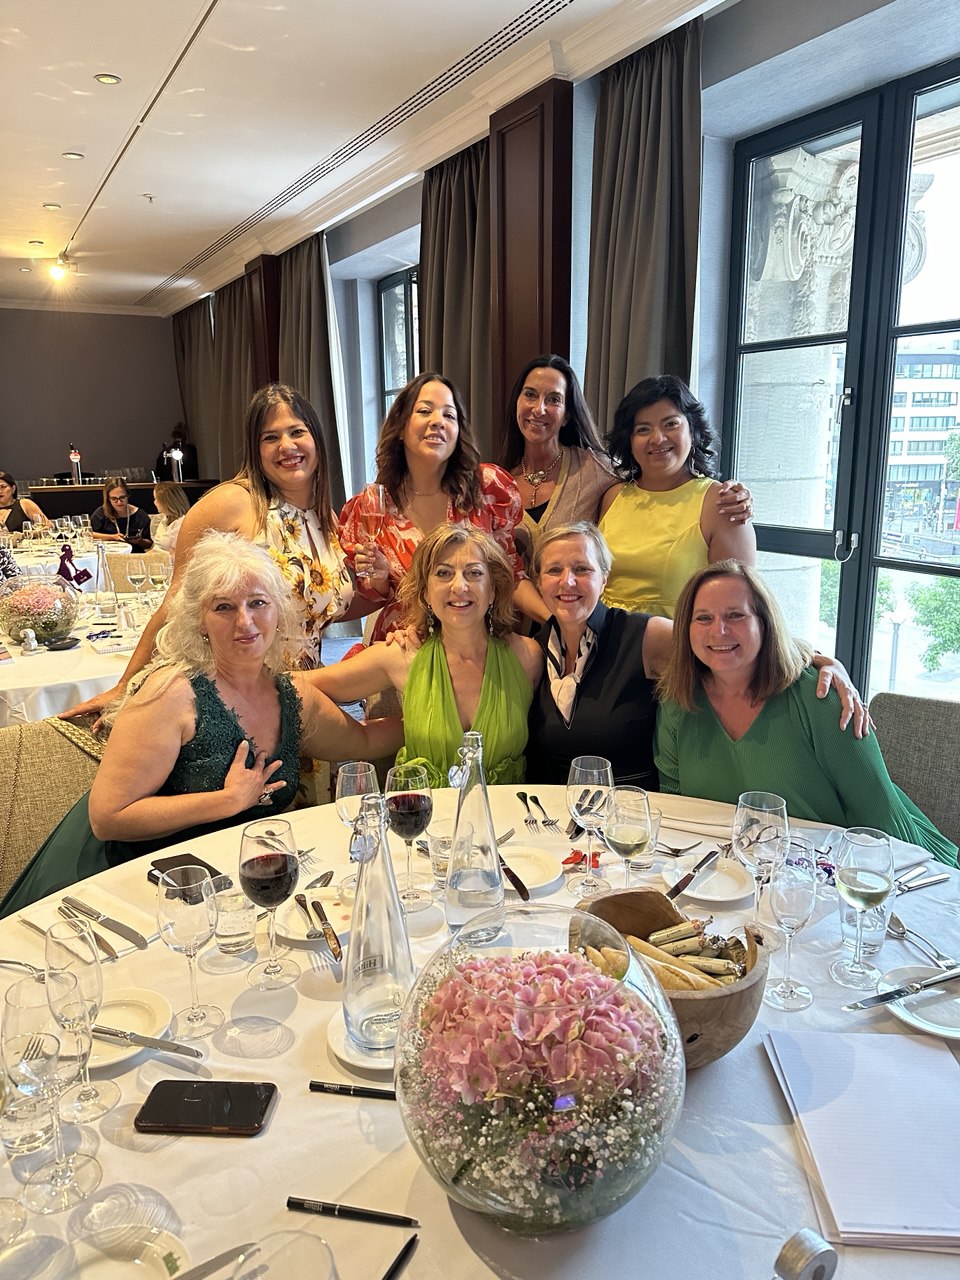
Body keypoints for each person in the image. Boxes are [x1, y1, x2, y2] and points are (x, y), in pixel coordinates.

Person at [1, 533, 403, 916]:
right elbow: (107, 817)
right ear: (199, 621)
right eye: (223, 607)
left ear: (279, 613)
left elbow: (366, 741)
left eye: (258, 603)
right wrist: (226, 801)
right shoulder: (173, 694)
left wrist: (437, 696)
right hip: (116, 887)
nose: (245, 622)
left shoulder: (291, 695)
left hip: (221, 889)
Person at [62, 384, 364, 721]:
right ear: (255, 449)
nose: (286, 446)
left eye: (297, 432)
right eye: (270, 437)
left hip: (305, 693)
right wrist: (125, 685)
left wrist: (385, 587)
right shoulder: (230, 503)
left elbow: (319, 608)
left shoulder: (324, 518)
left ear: (316, 439)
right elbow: (176, 604)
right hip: (236, 700)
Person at [654, 560, 957, 865]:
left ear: (765, 623)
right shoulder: (678, 700)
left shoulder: (820, 696)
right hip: (731, 872)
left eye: (736, 615)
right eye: (703, 618)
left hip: (840, 869)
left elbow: (879, 815)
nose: (719, 630)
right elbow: (676, 806)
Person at [525, 522, 867, 788]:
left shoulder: (644, 636)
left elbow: (728, 641)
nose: (567, 582)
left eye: (582, 569)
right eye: (554, 570)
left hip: (631, 822)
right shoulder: (534, 652)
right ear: (538, 582)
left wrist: (822, 660)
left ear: (604, 578)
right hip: (552, 822)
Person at [304, 524, 542, 787]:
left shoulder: (528, 657)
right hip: (422, 811)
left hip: (506, 812)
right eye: (443, 573)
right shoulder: (402, 655)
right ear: (426, 592)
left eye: (474, 573)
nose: (459, 586)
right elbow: (298, 687)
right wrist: (366, 737)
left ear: (493, 589)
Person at [339, 372, 550, 645]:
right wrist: (378, 581)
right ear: (401, 427)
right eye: (425, 410)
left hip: (473, 646)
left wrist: (554, 620)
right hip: (403, 648)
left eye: (449, 415)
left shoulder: (487, 489)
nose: (438, 421)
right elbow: (372, 596)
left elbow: (510, 575)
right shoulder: (371, 507)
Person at [599, 375, 756, 618]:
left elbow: (737, 606)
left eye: (670, 424)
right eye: (643, 429)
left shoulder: (722, 503)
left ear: (692, 430)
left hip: (677, 639)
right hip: (603, 636)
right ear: (629, 440)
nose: (657, 438)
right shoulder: (613, 496)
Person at [90, 478, 154, 549]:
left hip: (134, 554)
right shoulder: (101, 512)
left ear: (128, 495)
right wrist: (112, 537)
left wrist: (140, 541)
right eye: (114, 499)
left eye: (122, 497)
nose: (119, 502)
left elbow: (150, 544)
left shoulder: (140, 515)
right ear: (108, 499)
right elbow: (88, 534)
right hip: (109, 553)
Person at [152, 480, 191, 558]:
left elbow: (178, 556)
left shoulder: (182, 524)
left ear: (166, 502)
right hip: (155, 559)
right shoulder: (164, 519)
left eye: (156, 499)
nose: (154, 502)